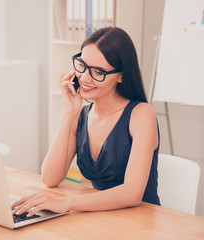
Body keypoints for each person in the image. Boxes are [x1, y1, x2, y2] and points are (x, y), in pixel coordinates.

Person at [12, 27, 160, 217]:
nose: (84, 77)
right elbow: (50, 178)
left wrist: (67, 202)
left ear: (121, 75)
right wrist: (68, 113)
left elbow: (132, 193)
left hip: (141, 221)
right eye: (82, 65)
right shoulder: (81, 115)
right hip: (102, 216)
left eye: (98, 72)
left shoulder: (141, 115)